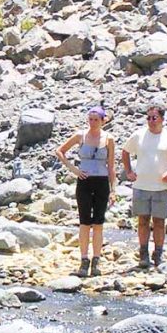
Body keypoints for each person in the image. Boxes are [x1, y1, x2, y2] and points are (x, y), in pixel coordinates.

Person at [55, 107, 117, 277]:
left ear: (104, 121)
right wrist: (73, 169)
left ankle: (96, 260)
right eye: (90, 119)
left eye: (96, 120)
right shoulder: (80, 136)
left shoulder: (109, 139)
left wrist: (113, 190)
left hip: (101, 181)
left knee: (98, 222)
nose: (93, 123)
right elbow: (60, 151)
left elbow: (111, 166)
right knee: (84, 222)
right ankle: (84, 260)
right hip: (84, 181)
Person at [120, 104, 167, 269]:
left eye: (154, 117)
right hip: (141, 185)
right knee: (142, 220)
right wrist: (128, 171)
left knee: (159, 222)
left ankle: (158, 253)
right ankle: (143, 254)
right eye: (148, 118)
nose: (150, 121)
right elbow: (125, 151)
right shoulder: (138, 135)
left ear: (162, 119)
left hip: (162, 186)